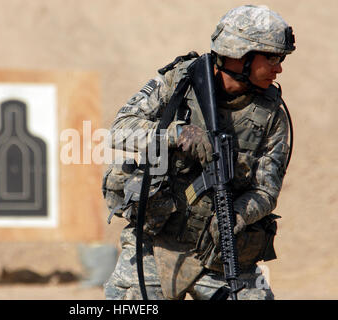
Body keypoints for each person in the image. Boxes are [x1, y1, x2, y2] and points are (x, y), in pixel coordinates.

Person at [103, 5, 296, 300]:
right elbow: (120, 129)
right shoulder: (178, 82)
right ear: (240, 53)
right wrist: (176, 134)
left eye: (280, 59)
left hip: (221, 252)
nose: (279, 67)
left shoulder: (271, 115)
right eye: (271, 57)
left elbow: (266, 191)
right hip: (156, 243)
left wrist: (235, 216)